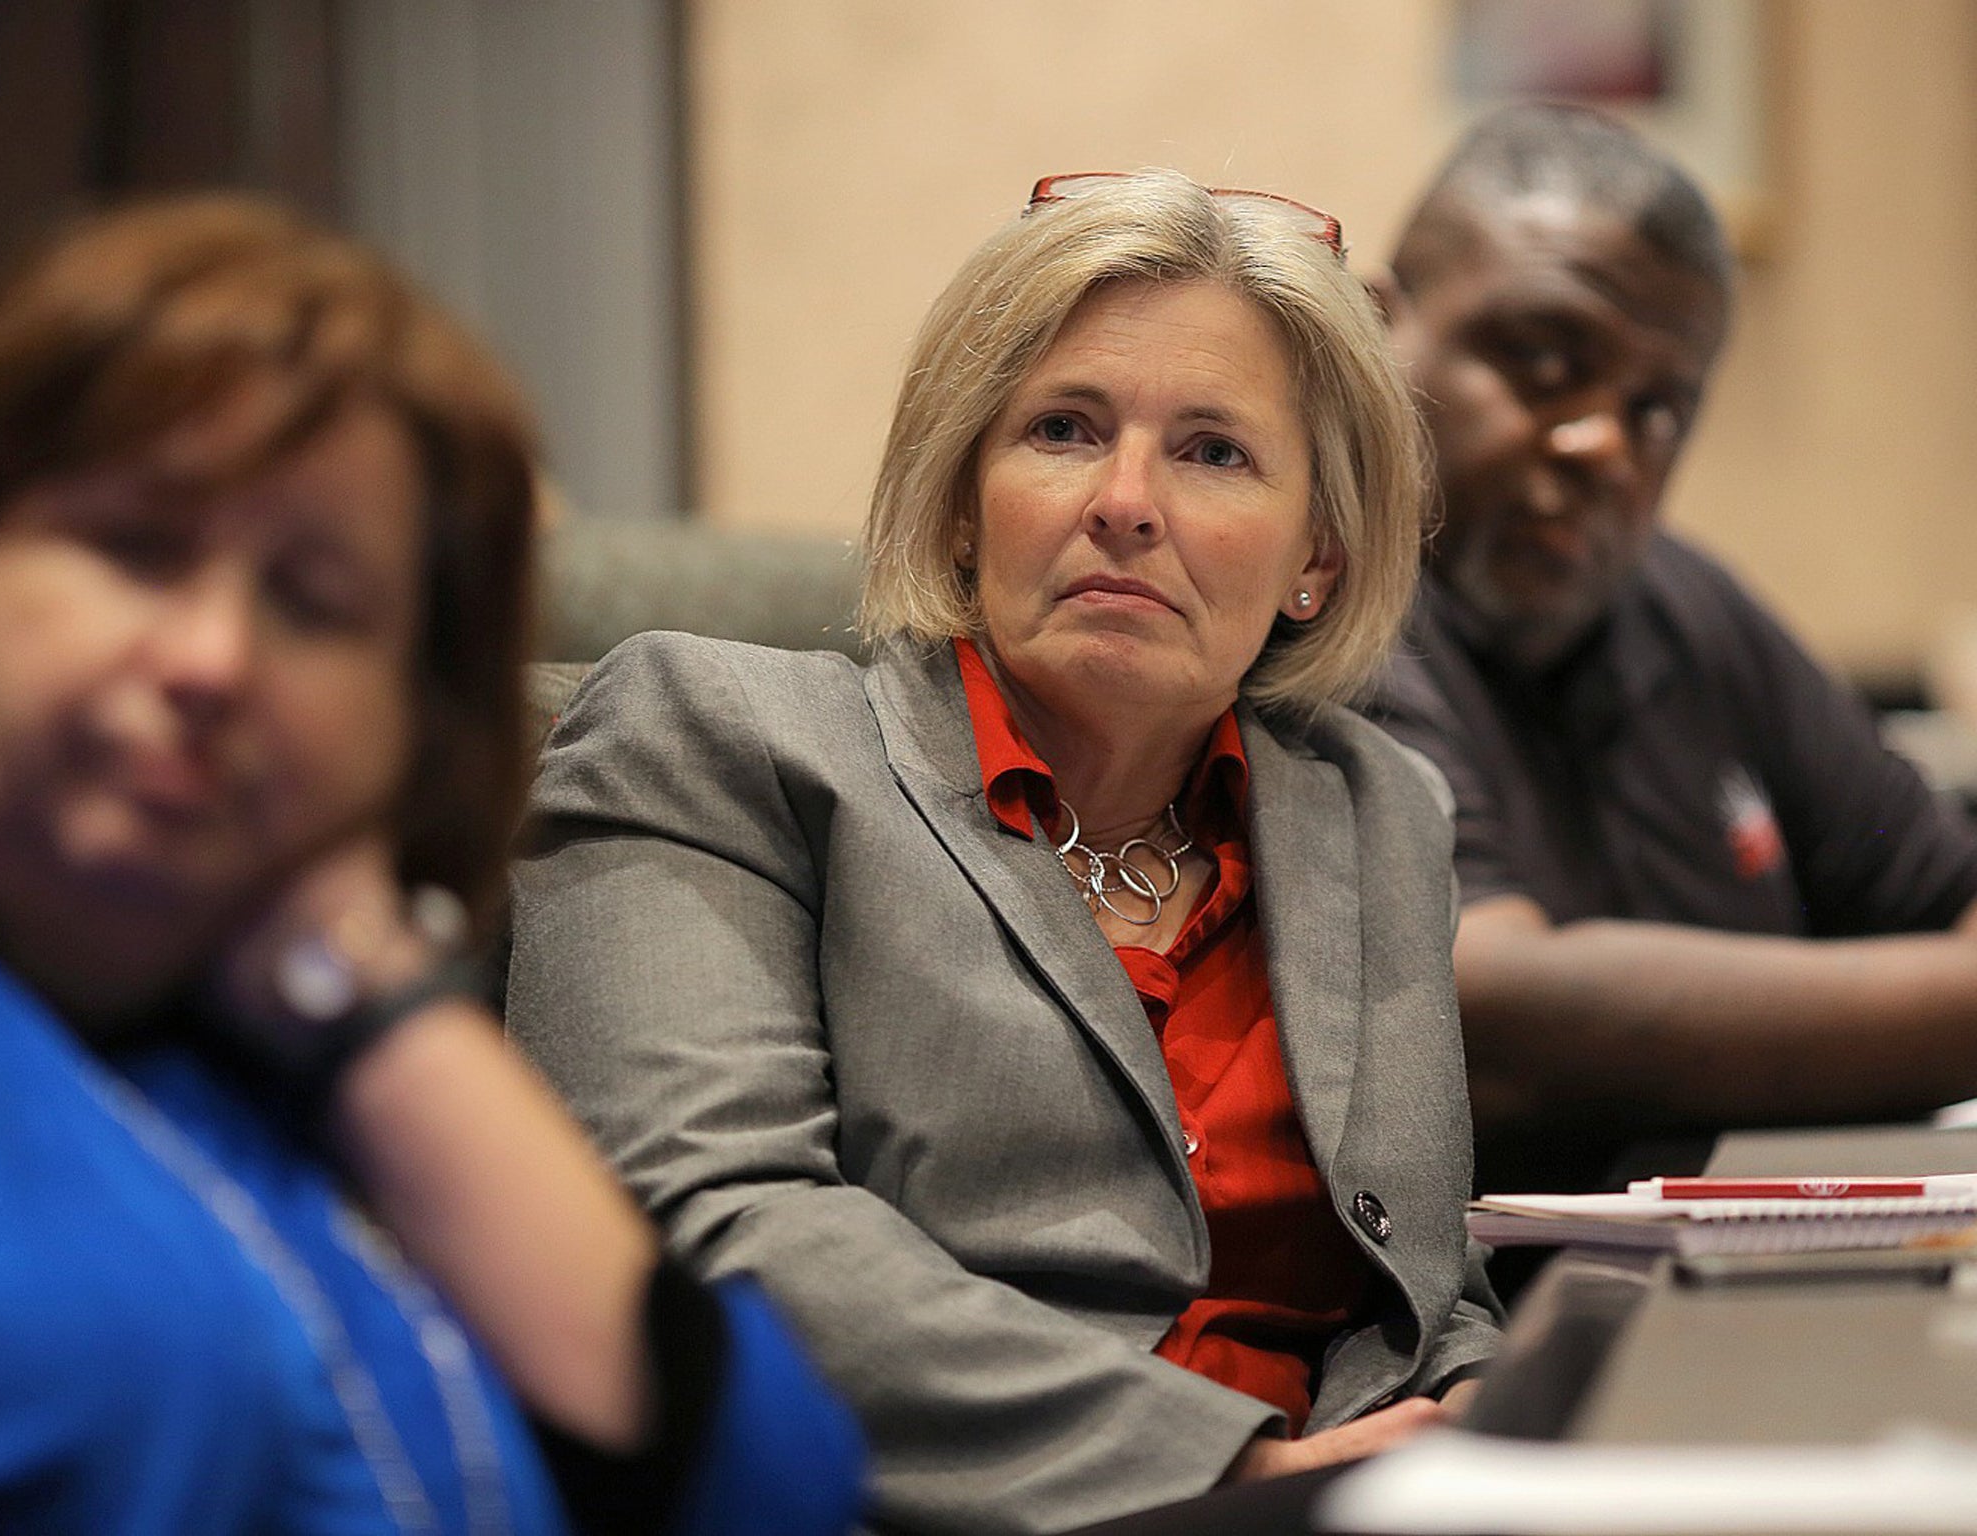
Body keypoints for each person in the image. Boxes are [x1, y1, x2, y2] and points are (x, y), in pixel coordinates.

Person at [509, 169, 1501, 1535]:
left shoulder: (1374, 808)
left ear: (1315, 560)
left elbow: (1421, 1294)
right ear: (966, 501)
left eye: (1214, 451)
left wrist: (1490, 1430)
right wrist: (1226, 1474)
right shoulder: (718, 739)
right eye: (1064, 429)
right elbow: (707, 1227)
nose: (1127, 501)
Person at [0, 193, 864, 1535]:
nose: (212, 661)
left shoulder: (284, 1050)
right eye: (135, 547)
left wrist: (364, 989)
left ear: (413, 726)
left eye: (314, 603)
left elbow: (769, 1489)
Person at [1364, 102, 1977, 1197]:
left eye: (1654, 408)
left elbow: (1939, 895)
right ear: (1372, 331)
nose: (1599, 441)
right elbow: (1489, 1016)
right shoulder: (1322, 603)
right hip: (1481, 1341)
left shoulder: (1683, 602)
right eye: (1543, 358)